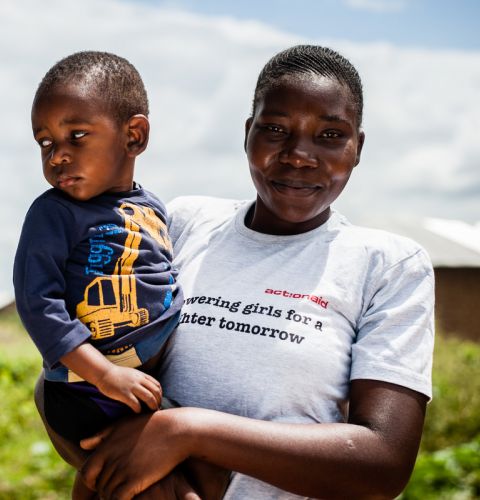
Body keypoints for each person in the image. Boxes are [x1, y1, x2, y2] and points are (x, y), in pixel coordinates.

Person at [35, 45, 434, 499]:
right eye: (276, 129)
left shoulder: (387, 265)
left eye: (329, 135)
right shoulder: (180, 225)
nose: (299, 155)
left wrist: (187, 431)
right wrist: (154, 480)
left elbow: (382, 463)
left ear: (357, 147)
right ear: (248, 134)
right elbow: (73, 373)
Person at [14, 51, 186, 497]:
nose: (57, 156)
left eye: (76, 136)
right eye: (46, 143)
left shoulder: (152, 209)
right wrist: (104, 375)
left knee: (197, 474)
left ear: (134, 136)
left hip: (137, 387)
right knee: (162, 489)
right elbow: (38, 304)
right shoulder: (54, 213)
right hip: (87, 391)